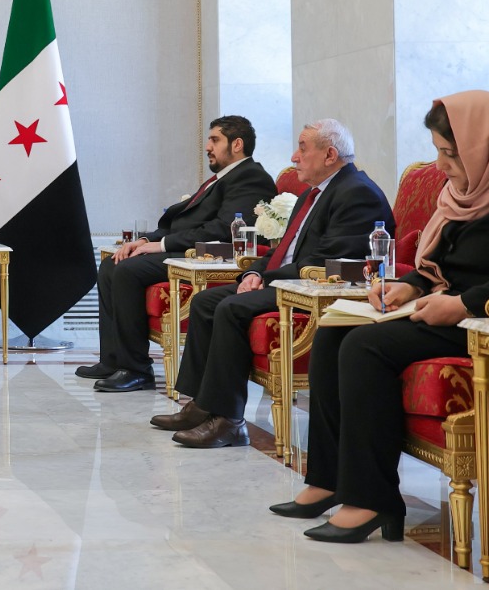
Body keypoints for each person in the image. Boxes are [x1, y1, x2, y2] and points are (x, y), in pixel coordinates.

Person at [271, 91, 489, 543]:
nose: (441, 166)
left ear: (486, 146)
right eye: (438, 151)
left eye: (450, 153)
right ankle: (328, 479)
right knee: (334, 331)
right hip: (454, 310)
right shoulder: (466, 191)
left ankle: (372, 499)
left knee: (366, 347)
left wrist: (465, 303)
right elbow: (442, 264)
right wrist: (411, 286)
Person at [153, 118, 393, 448]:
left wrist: (265, 279)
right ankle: (202, 405)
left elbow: (326, 261)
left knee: (231, 308)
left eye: (302, 148)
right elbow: (283, 250)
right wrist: (254, 273)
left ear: (330, 155)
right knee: (206, 300)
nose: (294, 157)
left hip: (313, 290)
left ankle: (229, 421)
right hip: (287, 280)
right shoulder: (314, 193)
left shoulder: (357, 194)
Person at [80, 115, 277, 392]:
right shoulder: (222, 178)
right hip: (188, 249)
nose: (207, 146)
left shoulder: (251, 177)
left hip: (212, 256)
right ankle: (113, 360)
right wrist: (146, 240)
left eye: (215, 140)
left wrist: (162, 245)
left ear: (237, 144)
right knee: (113, 263)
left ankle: (136, 369)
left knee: (127, 270)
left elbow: (223, 228)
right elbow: (183, 223)